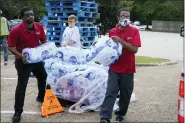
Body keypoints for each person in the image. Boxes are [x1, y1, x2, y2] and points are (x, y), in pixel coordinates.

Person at [99, 8, 141, 123]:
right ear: (118, 17)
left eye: (127, 16)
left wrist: (121, 41)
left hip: (128, 69)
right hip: (114, 68)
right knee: (110, 91)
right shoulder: (112, 31)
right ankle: (105, 117)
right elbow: (108, 49)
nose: (125, 18)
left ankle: (120, 113)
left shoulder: (134, 31)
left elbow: (134, 49)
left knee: (125, 94)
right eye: (123, 16)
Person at [8, 6, 48, 123]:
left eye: (32, 14)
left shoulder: (39, 27)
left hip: (36, 59)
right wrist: (21, 56)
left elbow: (44, 41)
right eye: (27, 15)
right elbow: (11, 47)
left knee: (43, 76)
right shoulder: (16, 30)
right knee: (22, 86)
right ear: (22, 17)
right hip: (23, 61)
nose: (30, 16)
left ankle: (41, 97)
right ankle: (17, 112)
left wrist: (47, 48)